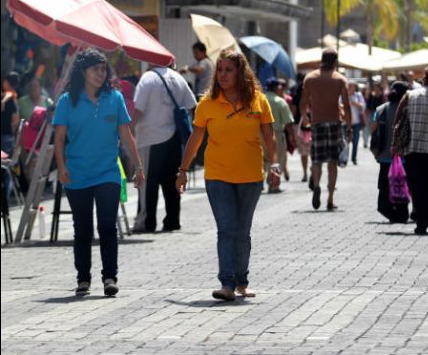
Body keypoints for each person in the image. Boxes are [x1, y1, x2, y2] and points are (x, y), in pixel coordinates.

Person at [176, 49, 279, 301]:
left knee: (242, 231)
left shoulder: (258, 100)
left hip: (251, 175)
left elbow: (268, 135)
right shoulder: (208, 103)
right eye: (219, 70)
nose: (222, 74)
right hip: (218, 175)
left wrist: (274, 165)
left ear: (240, 72)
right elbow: (196, 137)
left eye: (228, 70)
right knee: (226, 228)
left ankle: (242, 281)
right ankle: (226, 283)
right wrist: (183, 170)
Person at [52, 49, 145, 297]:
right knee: (82, 228)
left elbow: (126, 134)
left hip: (108, 173)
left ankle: (110, 277)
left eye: (104, 69)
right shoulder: (66, 102)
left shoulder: (115, 98)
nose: (101, 74)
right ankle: (83, 278)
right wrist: (61, 167)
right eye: (96, 69)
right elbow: (59, 138)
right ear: (83, 72)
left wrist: (138, 166)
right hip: (77, 174)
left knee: (107, 225)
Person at [131, 63, 196, 232]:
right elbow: (191, 105)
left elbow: (138, 108)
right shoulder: (178, 77)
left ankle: (147, 221)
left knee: (148, 183)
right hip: (174, 137)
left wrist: (129, 130)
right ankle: (172, 220)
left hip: (151, 137)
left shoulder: (148, 78)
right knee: (171, 182)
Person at [394, 67, 428, 235]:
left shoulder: (410, 96)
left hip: (414, 150)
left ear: (423, 79)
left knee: (418, 188)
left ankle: (421, 223)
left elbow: (397, 120)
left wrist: (395, 142)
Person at [299, 48, 351, 211]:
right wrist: (349, 127)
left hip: (318, 123)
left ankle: (316, 186)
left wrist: (306, 119)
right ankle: (330, 199)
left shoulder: (310, 78)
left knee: (316, 160)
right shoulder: (340, 79)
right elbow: (347, 106)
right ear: (335, 61)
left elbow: (302, 103)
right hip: (334, 123)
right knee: (332, 162)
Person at [373, 81, 410, 223]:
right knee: (402, 184)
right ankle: (402, 213)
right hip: (404, 156)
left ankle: (387, 210)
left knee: (384, 186)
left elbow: (373, 130)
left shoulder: (381, 109)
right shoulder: (408, 109)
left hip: (384, 155)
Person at [263, 77, 296, 192]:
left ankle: (261, 182)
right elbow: (288, 122)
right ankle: (274, 185)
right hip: (276, 134)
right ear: (277, 87)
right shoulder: (280, 101)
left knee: (263, 159)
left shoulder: (260, 100)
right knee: (277, 159)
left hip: (260, 133)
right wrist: (292, 136)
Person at [1, 71, 21, 156]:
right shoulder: (13, 98)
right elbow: (16, 120)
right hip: (8, 135)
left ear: (6, 82)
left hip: (5, 136)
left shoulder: (9, 97)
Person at [347, 82, 366, 165]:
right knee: (345, 141)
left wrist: (355, 104)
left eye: (352, 86)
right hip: (346, 123)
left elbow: (363, 106)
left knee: (355, 141)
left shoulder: (358, 95)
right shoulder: (343, 95)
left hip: (356, 122)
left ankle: (354, 158)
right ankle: (344, 158)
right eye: (349, 86)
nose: (351, 88)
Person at [364, 83, 385, 148]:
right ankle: (367, 141)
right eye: (375, 87)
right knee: (369, 127)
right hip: (372, 113)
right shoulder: (371, 95)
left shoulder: (382, 96)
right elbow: (367, 106)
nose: (376, 89)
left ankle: (376, 140)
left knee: (377, 127)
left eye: (377, 87)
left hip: (379, 113)